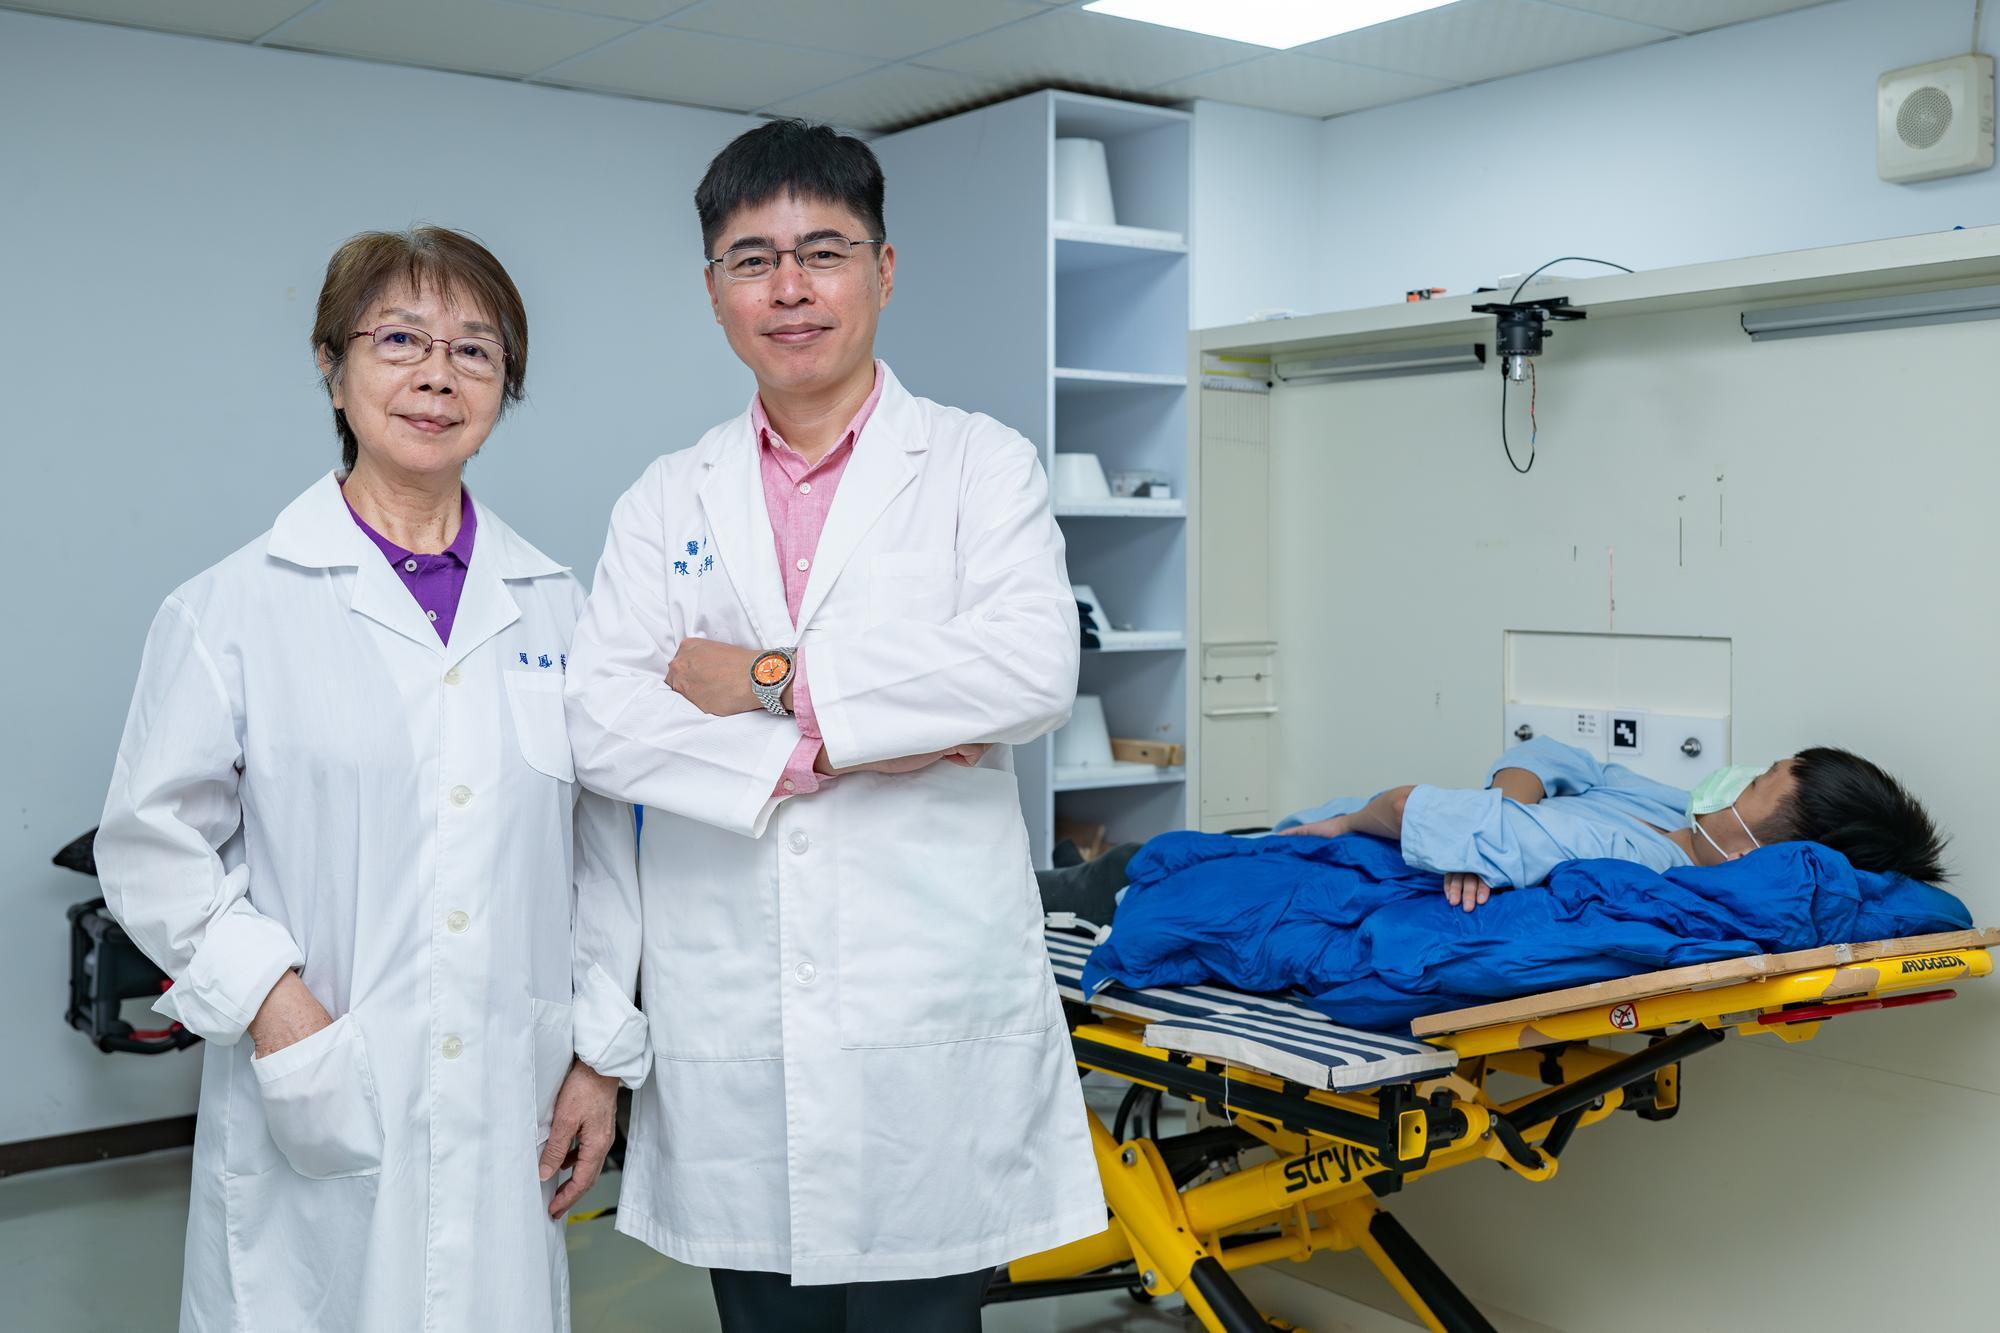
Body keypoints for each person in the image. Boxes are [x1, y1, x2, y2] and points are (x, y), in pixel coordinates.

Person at [562, 120, 1103, 1331]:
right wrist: (844, 733)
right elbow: (605, 724)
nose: (790, 288)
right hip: (732, 1010)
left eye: (823, 250)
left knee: (923, 1314)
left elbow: (1024, 672)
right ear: (712, 291)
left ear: (884, 268)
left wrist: (759, 679)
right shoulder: (666, 496)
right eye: (752, 259)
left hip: (925, 1013)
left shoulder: (977, 466)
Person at [95, 227, 647, 1332]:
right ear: (331, 366)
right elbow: (152, 846)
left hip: (512, 1092)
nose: (436, 375)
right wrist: (275, 1002)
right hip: (319, 1076)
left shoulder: (557, 606)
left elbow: (600, 854)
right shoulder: (233, 606)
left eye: (475, 350)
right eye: (399, 338)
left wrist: (599, 1055)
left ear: (505, 386)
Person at [1041, 737, 1949, 921]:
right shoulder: (1671, 814)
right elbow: (1553, 751)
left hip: (1325, 855)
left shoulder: (1625, 856)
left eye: (1757, 780)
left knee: (1113, 875)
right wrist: (1508, 804)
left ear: (1776, 836)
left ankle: (1060, 892)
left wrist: (1341, 818)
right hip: (1336, 840)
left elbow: (1404, 808)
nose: (1737, 775)